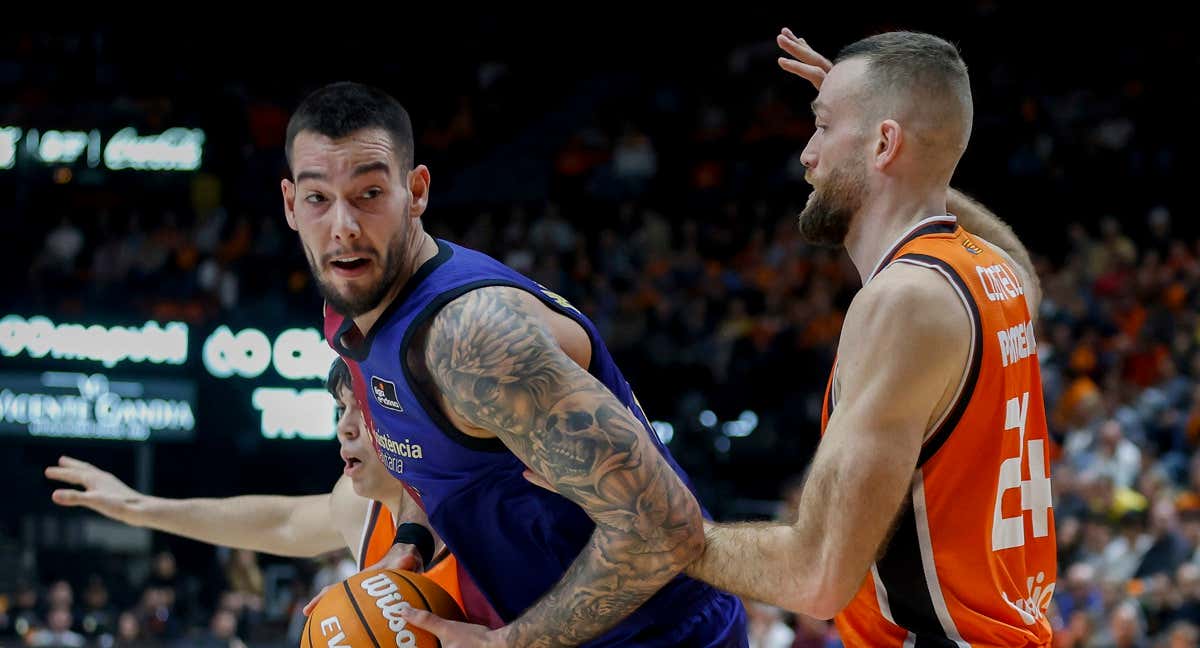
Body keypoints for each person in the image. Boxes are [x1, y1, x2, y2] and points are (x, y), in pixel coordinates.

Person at [283, 81, 745, 646]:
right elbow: (432, 465)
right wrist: (410, 541)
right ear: (290, 204)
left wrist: (511, 643)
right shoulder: (350, 308)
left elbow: (667, 531)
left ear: (417, 191)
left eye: (370, 193)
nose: (343, 226)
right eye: (318, 199)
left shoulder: (472, 341)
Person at [679, 29, 1056, 645]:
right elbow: (1016, 263)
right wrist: (913, 149)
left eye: (823, 128)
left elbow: (817, 576)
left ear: (883, 143)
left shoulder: (904, 300)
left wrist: (639, 522)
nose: (807, 154)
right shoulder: (990, 278)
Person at [45, 358, 464, 611]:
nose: (345, 428)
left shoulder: (472, 508)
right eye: (341, 408)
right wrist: (139, 508)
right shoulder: (360, 508)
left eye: (365, 410)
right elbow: (279, 521)